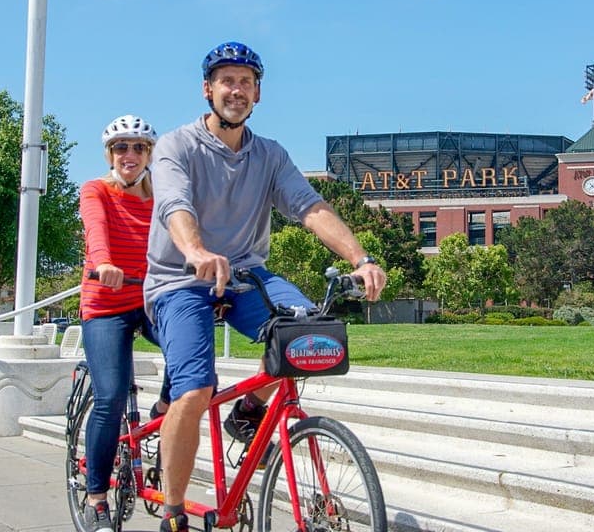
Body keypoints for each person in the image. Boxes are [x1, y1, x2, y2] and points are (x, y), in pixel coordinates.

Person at [143, 41, 387, 532]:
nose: (236, 90)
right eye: (227, 81)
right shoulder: (176, 146)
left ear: (258, 93)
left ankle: (248, 412)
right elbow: (174, 204)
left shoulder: (269, 155)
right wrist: (196, 251)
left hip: (246, 276)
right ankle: (174, 511)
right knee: (196, 389)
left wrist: (360, 258)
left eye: (246, 82)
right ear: (207, 89)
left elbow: (310, 206)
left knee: (308, 332)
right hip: (179, 280)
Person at [78, 114, 161, 531]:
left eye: (139, 147)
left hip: (149, 300)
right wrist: (104, 262)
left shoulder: (160, 197)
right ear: (110, 154)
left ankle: (164, 410)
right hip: (106, 303)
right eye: (121, 147)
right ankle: (96, 497)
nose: (130, 154)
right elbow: (96, 229)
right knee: (109, 398)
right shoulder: (95, 190)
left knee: (193, 357)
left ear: (149, 154)